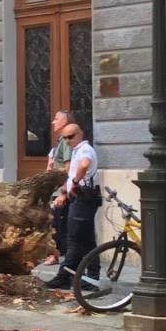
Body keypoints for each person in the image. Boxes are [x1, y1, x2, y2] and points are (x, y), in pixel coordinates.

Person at [46, 124, 101, 290]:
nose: (68, 140)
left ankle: (67, 277)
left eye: (71, 136)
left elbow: (84, 165)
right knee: (85, 240)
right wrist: (65, 193)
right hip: (80, 198)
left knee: (75, 239)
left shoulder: (85, 149)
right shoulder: (77, 150)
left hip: (84, 198)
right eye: (65, 138)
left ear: (80, 134)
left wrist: (75, 183)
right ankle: (88, 278)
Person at [43, 111, 75, 266]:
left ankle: (57, 256)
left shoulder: (65, 141)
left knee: (59, 226)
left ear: (65, 122)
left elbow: (68, 168)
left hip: (62, 191)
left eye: (56, 119)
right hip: (57, 190)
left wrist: (63, 192)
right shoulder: (60, 140)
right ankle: (57, 256)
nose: (53, 122)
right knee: (56, 224)